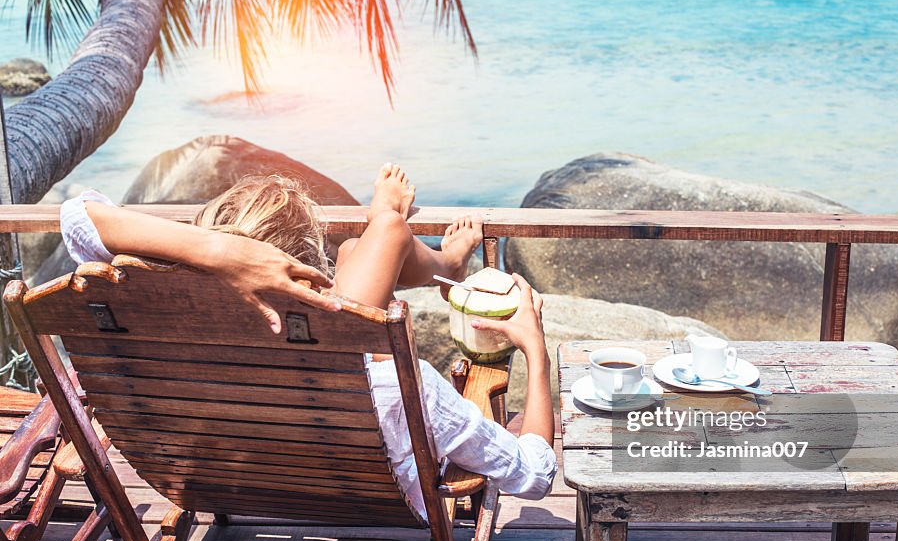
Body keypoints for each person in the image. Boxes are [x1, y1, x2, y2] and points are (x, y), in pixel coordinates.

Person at [59, 165, 556, 520]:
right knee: (365, 250)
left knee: (362, 248)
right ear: (307, 278)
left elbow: (78, 217)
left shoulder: (163, 345)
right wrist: (535, 350)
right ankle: (432, 259)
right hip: (359, 482)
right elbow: (534, 476)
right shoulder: (403, 390)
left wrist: (217, 253)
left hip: (233, 476)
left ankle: (387, 236)